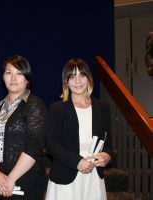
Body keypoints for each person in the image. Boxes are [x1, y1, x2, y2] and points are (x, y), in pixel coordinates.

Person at [45, 58, 114, 200]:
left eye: (82, 75)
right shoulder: (57, 108)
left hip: (94, 176)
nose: (77, 81)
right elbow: (52, 145)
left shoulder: (103, 107)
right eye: (72, 76)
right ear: (66, 81)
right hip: (66, 173)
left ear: (88, 78)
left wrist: (107, 156)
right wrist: (77, 162)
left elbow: (108, 144)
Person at [0, 55, 47, 200]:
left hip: (27, 181)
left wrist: (11, 178)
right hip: (0, 180)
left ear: (27, 79)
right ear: (3, 77)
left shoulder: (34, 104)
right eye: (9, 73)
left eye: (19, 73)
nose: (13, 78)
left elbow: (34, 146)